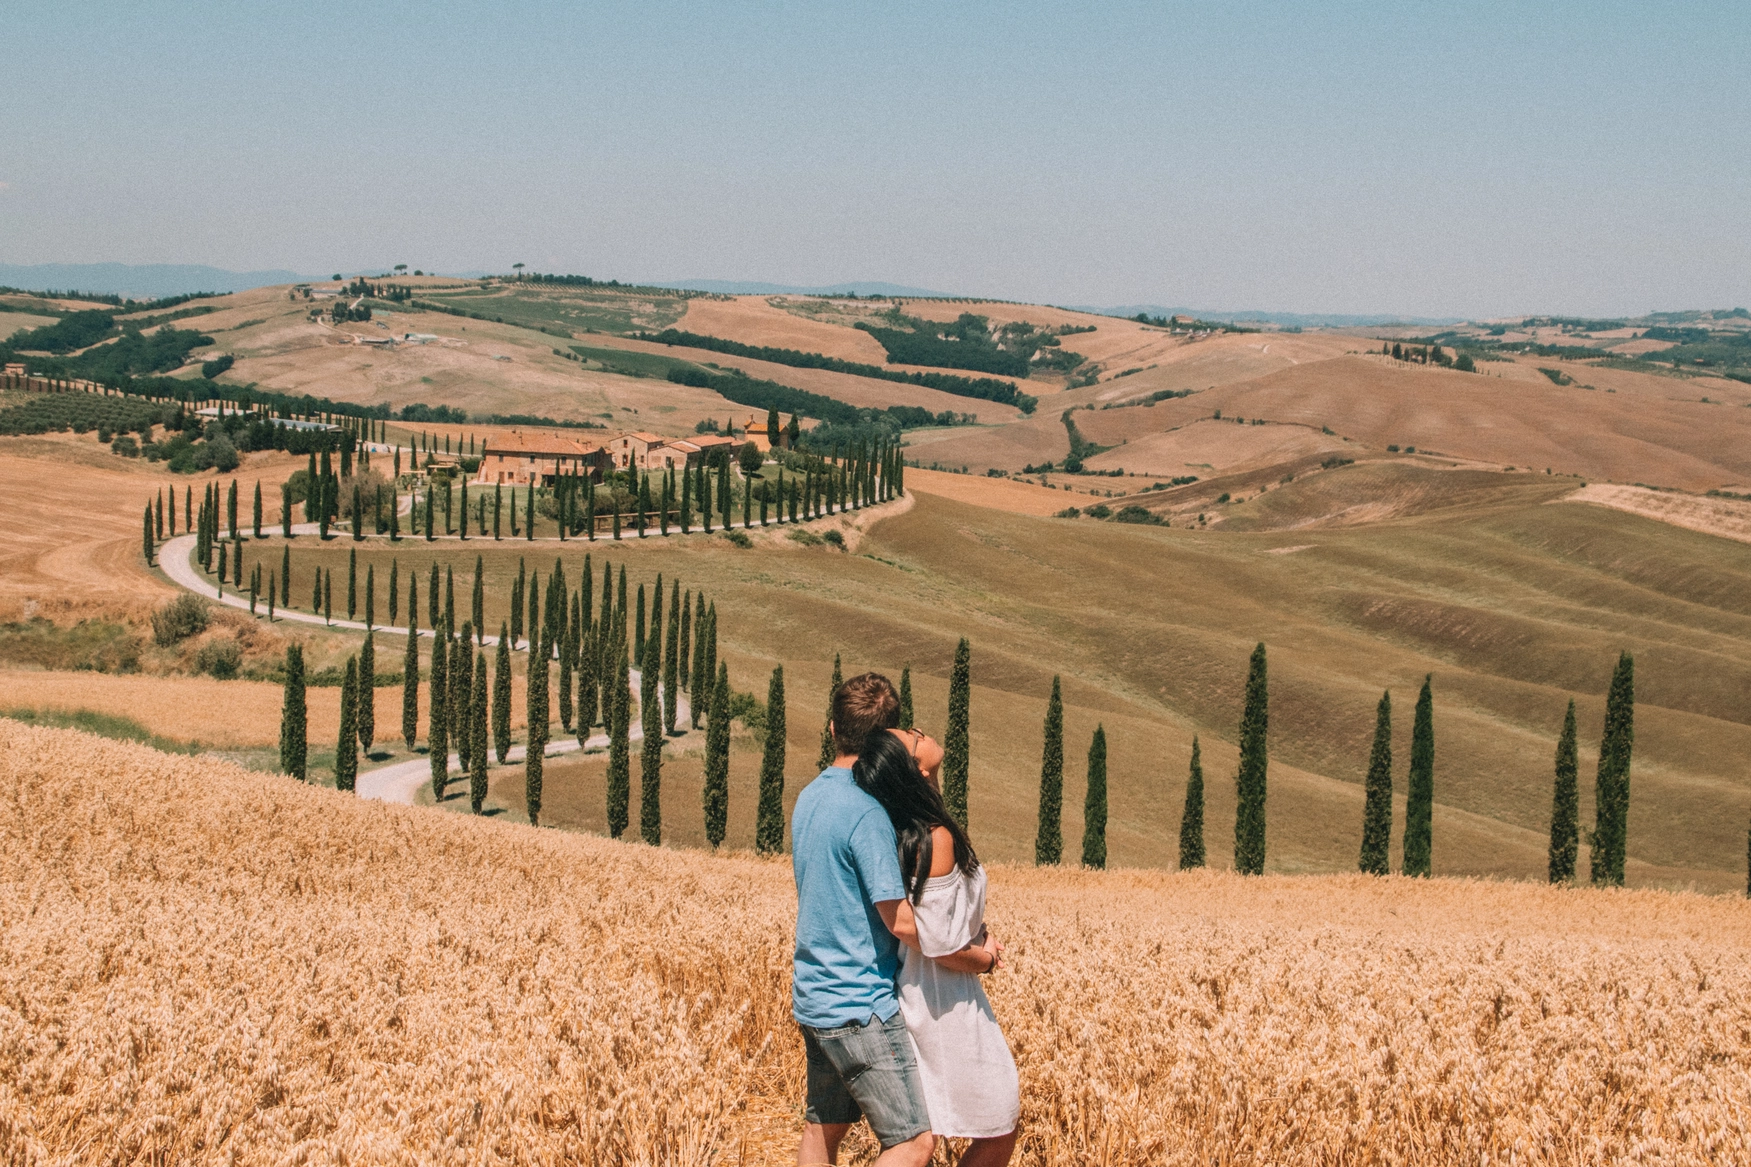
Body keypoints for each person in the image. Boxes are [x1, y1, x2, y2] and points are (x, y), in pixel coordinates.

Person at [855, 729, 1019, 1166]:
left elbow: (939, 922)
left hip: (930, 993)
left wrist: (976, 931)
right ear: (918, 769)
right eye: (913, 737)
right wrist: (985, 959)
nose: (920, 731)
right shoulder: (936, 837)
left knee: (952, 1130)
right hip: (944, 1002)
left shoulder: (919, 832)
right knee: (1000, 1122)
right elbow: (941, 944)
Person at [791, 673, 934, 1166]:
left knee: (822, 1128)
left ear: (833, 729)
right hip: (859, 1006)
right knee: (914, 1144)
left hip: (814, 996)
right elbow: (900, 922)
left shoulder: (810, 797)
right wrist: (964, 948)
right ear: (888, 738)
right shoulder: (867, 811)